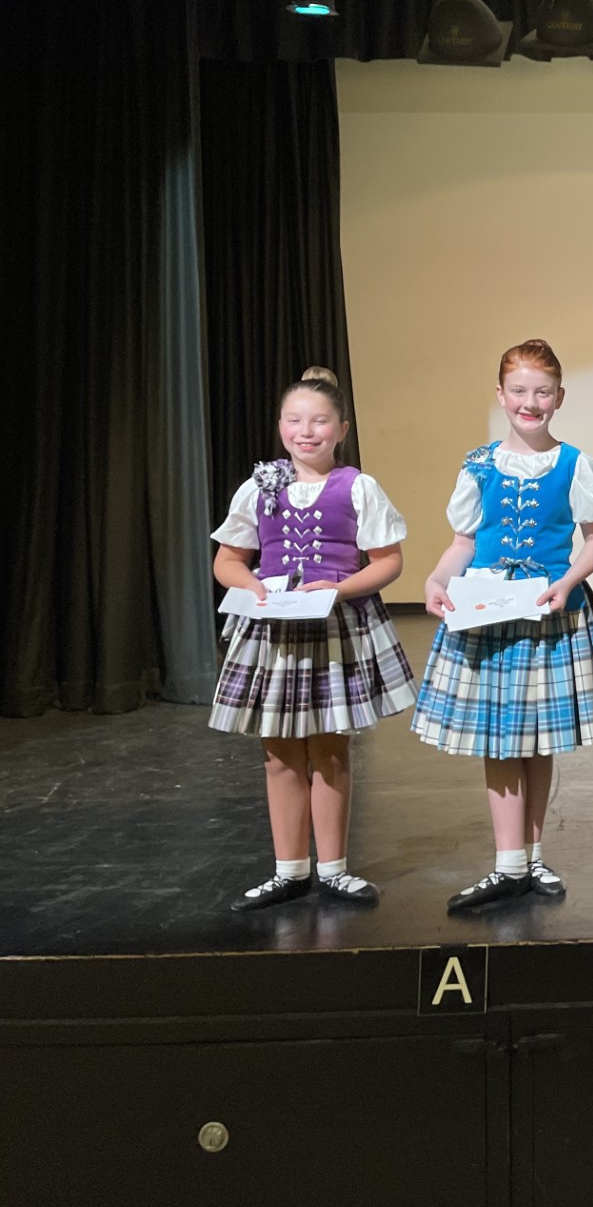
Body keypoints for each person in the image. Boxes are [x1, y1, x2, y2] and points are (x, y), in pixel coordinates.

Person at [412, 338, 593, 913]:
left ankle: (531, 857)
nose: (531, 403)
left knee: (536, 738)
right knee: (500, 740)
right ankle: (508, 863)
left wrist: (568, 581)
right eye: (520, 391)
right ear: (501, 395)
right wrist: (436, 579)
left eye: (543, 392)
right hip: (487, 616)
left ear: (559, 397)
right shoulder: (479, 464)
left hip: (548, 613)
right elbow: (462, 542)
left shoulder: (575, 464)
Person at [210, 367, 415, 910]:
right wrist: (251, 585)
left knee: (329, 749)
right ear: (280, 426)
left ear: (341, 429)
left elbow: (388, 561)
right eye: (295, 420)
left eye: (320, 421)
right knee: (279, 752)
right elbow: (227, 560)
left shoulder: (357, 487)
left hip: (332, 630)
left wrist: (340, 588)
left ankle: (335, 869)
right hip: (274, 633)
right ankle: (290, 870)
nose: (307, 431)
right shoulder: (260, 487)